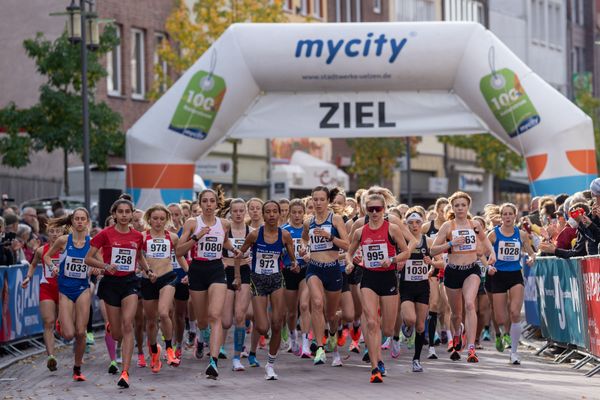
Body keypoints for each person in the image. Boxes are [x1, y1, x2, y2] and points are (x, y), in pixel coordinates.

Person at [85, 196, 155, 388]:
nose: (124, 215)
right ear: (114, 214)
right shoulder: (105, 234)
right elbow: (88, 259)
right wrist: (106, 265)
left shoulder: (138, 236)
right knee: (117, 334)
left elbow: (139, 256)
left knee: (127, 325)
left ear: (132, 214)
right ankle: (111, 328)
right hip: (110, 283)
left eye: (127, 212)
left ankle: (124, 372)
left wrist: (148, 270)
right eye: (120, 212)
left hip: (130, 282)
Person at [345, 192, 410, 383]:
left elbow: (406, 251)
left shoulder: (393, 229)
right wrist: (352, 261)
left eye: (378, 209)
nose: (374, 212)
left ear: (384, 209)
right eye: (370, 209)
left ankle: (382, 350)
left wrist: (392, 259)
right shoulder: (360, 231)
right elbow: (349, 252)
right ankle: (375, 367)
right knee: (372, 323)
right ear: (365, 209)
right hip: (369, 279)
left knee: (387, 329)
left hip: (388, 277)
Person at [176, 189, 240, 379]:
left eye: (212, 201)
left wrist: (234, 249)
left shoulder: (224, 223)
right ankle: (202, 338)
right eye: (205, 201)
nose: (209, 204)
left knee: (215, 315)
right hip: (197, 270)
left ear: (216, 204)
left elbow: (225, 241)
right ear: (200, 204)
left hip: (216, 270)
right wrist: (197, 237)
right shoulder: (192, 223)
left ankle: (213, 361)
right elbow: (179, 251)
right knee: (203, 320)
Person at [430, 191, 495, 363]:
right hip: (452, 271)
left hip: (471, 270)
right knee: (456, 314)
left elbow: (486, 240)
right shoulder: (447, 227)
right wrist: (450, 244)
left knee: (469, 304)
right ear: (452, 207)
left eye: (463, 205)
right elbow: (433, 250)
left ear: (468, 207)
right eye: (456, 205)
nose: (460, 208)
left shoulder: (474, 225)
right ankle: (457, 335)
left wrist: (493, 253)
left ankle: (472, 348)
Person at [238, 200, 298, 380]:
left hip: (276, 279)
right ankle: (265, 333)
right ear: (263, 215)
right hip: (257, 280)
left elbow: (292, 259)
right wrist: (237, 276)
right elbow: (239, 255)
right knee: (263, 327)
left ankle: (270, 365)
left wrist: (295, 265)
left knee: (278, 323)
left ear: (280, 214)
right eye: (268, 212)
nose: (271, 215)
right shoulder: (255, 235)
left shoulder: (285, 235)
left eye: (275, 211)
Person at [302, 186, 349, 367]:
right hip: (314, 268)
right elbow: (305, 239)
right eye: (315, 199)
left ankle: (331, 333)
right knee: (317, 303)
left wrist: (330, 237)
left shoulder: (335, 219)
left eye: (322, 199)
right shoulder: (309, 222)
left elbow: (346, 245)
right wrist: (304, 248)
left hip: (333, 269)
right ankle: (320, 348)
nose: (318, 203)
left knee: (331, 314)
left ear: (328, 201)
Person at [44, 208, 93, 381]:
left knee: (81, 332)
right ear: (71, 221)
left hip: (82, 289)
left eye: (83, 219)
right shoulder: (64, 240)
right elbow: (47, 257)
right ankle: (61, 323)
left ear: (87, 221)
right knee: (68, 334)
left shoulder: (92, 243)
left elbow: (99, 261)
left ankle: (77, 368)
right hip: (64, 289)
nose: (80, 222)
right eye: (77, 219)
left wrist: (96, 268)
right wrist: (53, 268)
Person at [487, 203, 536, 365]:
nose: (507, 217)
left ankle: (514, 352)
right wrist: (489, 265)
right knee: (500, 317)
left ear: (515, 216)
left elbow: (531, 252)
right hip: (498, 276)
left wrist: (531, 258)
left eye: (510, 214)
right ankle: (501, 334)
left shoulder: (521, 234)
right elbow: (481, 253)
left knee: (515, 313)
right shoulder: (493, 235)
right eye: (505, 214)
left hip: (515, 275)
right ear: (501, 217)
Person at [141, 204, 188, 372]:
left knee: (164, 312)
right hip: (148, 280)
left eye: (162, 219)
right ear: (149, 219)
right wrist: (144, 270)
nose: (158, 222)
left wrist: (189, 272)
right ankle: (154, 351)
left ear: (166, 220)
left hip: (168, 277)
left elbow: (180, 256)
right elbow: (138, 258)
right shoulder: (143, 237)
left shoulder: (173, 237)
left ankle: (169, 349)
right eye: (155, 218)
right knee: (151, 321)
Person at [400, 208, 444, 372]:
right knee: (411, 319)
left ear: (423, 222)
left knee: (420, 326)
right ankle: (406, 326)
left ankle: (416, 359)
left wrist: (431, 262)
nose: (414, 225)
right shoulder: (403, 241)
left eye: (418, 222)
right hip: (406, 286)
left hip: (422, 286)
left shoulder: (429, 241)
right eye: (410, 222)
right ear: (406, 224)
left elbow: (442, 263)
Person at [22, 223, 63, 371]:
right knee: (48, 322)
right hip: (47, 288)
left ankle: (61, 325)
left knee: (62, 325)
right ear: (47, 233)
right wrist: (28, 277)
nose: (55, 234)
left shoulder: (67, 250)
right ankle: (51, 356)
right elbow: (33, 265)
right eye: (52, 231)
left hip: (64, 290)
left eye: (58, 231)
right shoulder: (41, 250)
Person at [221, 198, 253, 371]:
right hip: (226, 273)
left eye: (242, 210)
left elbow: (259, 253)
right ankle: (212, 340)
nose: (239, 214)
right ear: (230, 213)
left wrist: (251, 258)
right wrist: (222, 261)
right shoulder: (224, 231)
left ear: (245, 211)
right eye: (235, 211)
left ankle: (236, 357)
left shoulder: (252, 231)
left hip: (245, 273)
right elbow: (215, 252)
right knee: (226, 321)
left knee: (240, 316)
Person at [281, 199, 310, 357]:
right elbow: (277, 253)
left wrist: (308, 256)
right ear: (289, 213)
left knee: (304, 306)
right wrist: (288, 257)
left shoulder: (309, 230)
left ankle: (305, 344)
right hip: (288, 271)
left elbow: (314, 249)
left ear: (304, 213)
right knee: (291, 312)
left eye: (300, 212)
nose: (297, 215)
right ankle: (293, 339)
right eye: (294, 212)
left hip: (305, 271)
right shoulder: (283, 231)